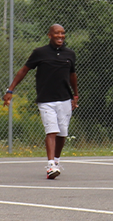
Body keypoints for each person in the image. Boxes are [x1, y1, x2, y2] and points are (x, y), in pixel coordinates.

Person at [4, 24, 78, 179]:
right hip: (46, 100)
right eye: (56, 33)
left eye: (62, 33)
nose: (60, 36)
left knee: (62, 132)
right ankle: (50, 165)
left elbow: (72, 75)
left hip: (64, 99)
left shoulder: (69, 54)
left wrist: (75, 95)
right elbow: (24, 70)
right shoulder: (40, 53)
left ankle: (56, 161)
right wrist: (10, 90)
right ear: (49, 35)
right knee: (51, 130)